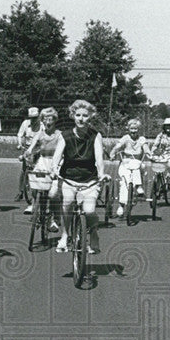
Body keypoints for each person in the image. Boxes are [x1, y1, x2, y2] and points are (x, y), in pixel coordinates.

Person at [49, 99, 109, 254]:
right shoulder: (65, 135)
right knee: (67, 202)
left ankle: (94, 233)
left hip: (90, 179)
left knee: (89, 211)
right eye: (78, 115)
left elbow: (99, 159)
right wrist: (54, 169)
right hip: (68, 178)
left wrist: (102, 174)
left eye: (85, 115)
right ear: (73, 116)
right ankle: (65, 234)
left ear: (90, 117)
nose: (81, 118)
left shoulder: (96, 136)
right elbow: (57, 156)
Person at [21, 106, 62, 225]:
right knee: (35, 186)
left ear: (55, 121)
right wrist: (27, 153)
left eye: (51, 120)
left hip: (56, 163)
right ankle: (38, 209)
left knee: (53, 193)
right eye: (45, 119)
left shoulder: (59, 135)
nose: (48, 122)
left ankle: (55, 217)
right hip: (42, 162)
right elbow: (32, 146)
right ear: (42, 121)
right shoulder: (40, 134)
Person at [107, 118, 147, 217]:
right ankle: (121, 206)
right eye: (132, 129)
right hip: (125, 163)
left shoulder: (141, 139)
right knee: (123, 183)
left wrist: (149, 154)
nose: (133, 131)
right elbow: (117, 146)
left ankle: (138, 186)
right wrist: (112, 153)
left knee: (137, 166)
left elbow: (146, 148)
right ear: (128, 129)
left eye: (136, 129)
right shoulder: (125, 138)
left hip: (138, 163)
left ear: (139, 129)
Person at [143, 117, 170, 205]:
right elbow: (155, 145)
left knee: (169, 164)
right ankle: (157, 184)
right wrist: (151, 153)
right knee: (156, 165)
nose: (168, 127)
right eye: (166, 126)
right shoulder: (161, 135)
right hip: (162, 154)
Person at [15, 106, 43, 206]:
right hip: (27, 147)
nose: (33, 120)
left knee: (38, 170)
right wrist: (19, 143)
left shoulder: (42, 126)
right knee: (24, 170)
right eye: (31, 117)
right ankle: (20, 192)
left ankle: (39, 191)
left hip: (38, 148)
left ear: (39, 116)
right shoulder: (25, 123)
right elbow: (20, 134)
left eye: (35, 117)